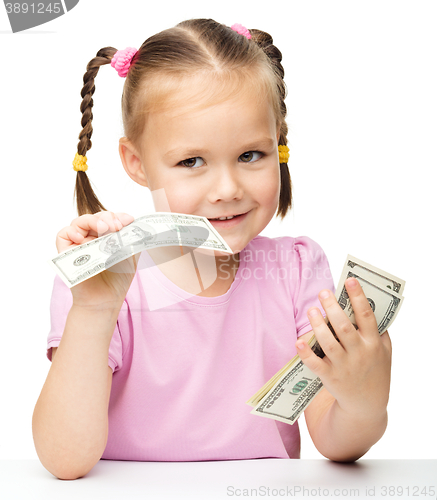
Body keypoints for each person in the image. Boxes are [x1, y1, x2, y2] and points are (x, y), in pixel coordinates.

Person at [32, 19, 392, 480]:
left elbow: (333, 440)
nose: (226, 188)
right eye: (191, 161)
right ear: (136, 163)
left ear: (278, 143)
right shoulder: (101, 280)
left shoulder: (296, 269)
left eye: (250, 155)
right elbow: (64, 461)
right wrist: (95, 310)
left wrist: (364, 401)